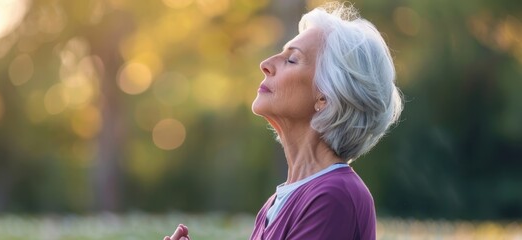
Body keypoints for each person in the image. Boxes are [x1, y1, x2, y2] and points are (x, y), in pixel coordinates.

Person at [165, 2, 402, 239]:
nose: (265, 65)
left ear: (325, 96)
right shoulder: (274, 205)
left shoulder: (334, 196)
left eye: (291, 59)